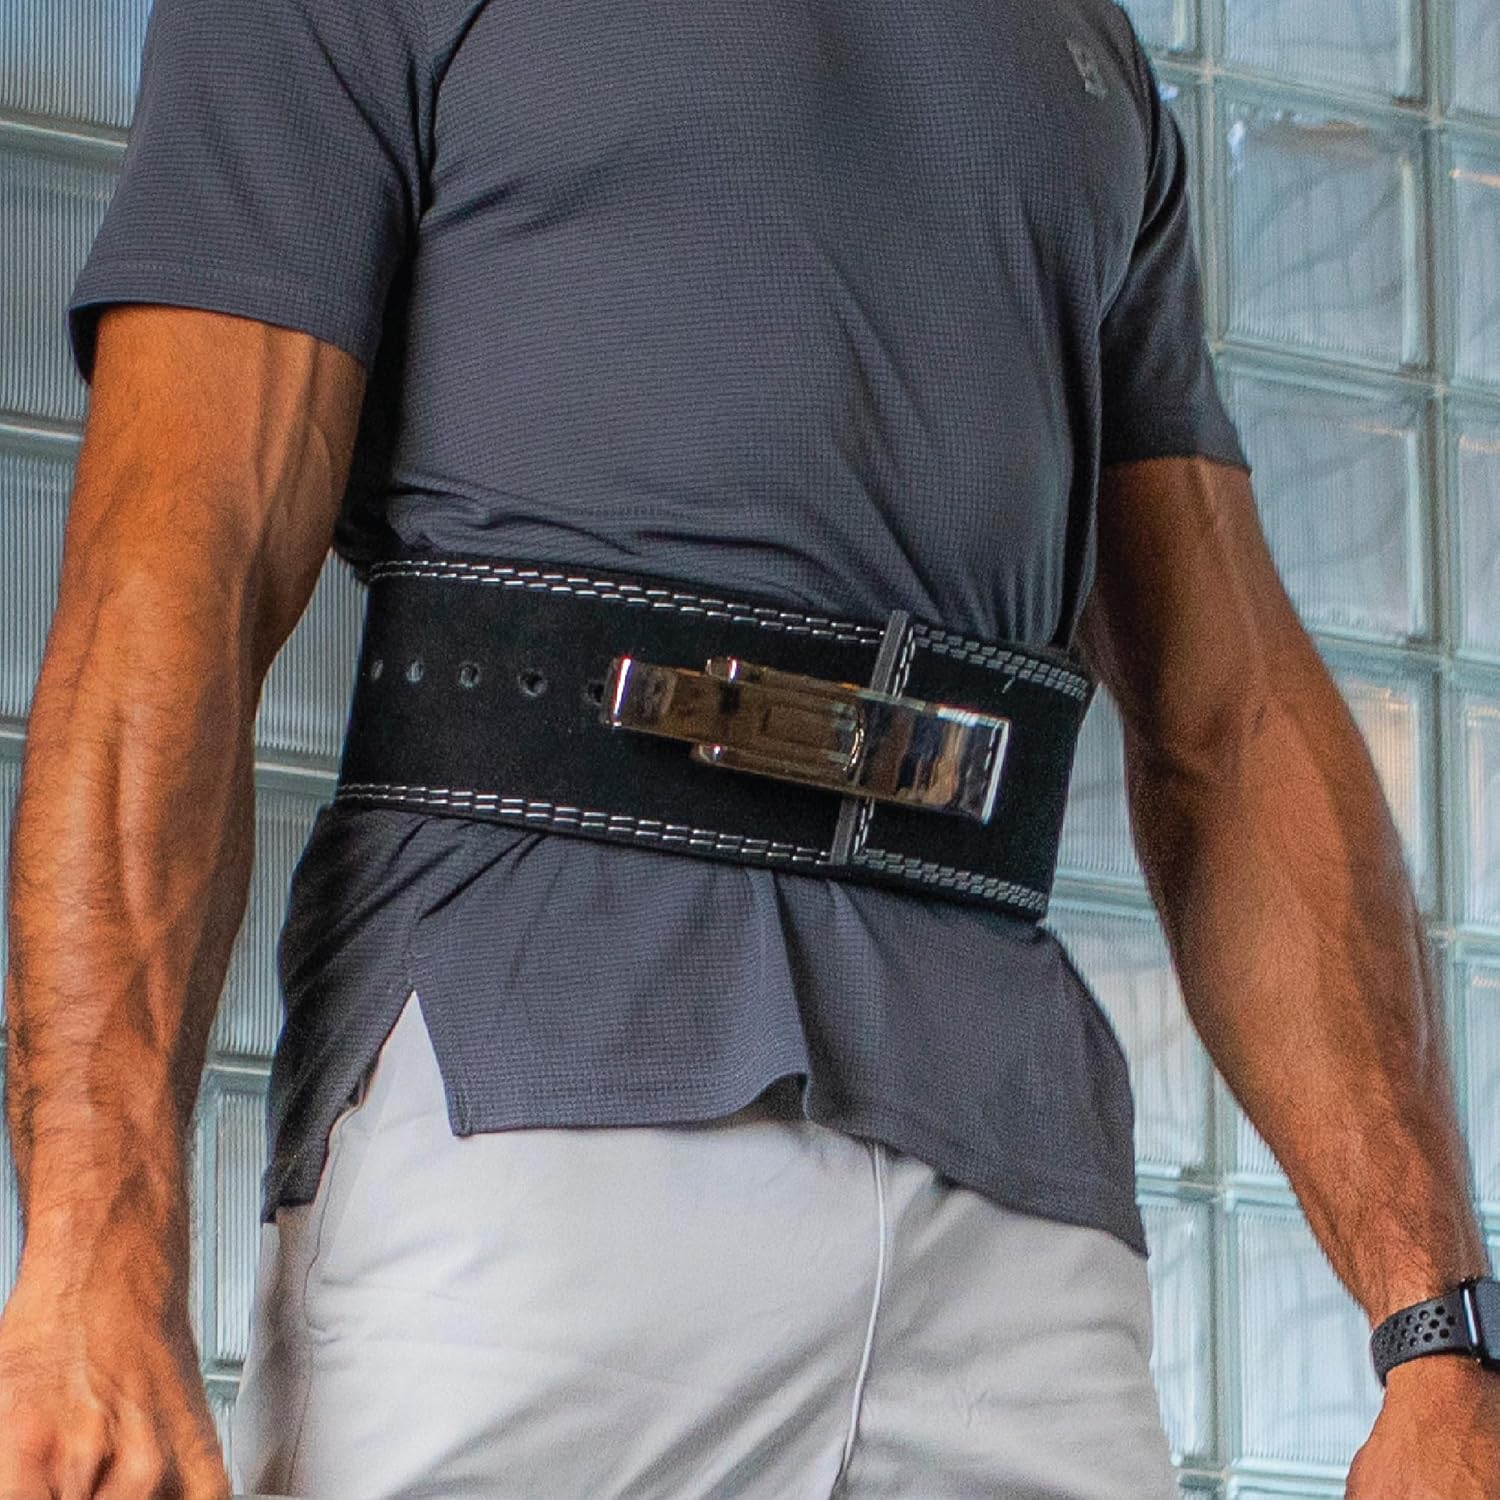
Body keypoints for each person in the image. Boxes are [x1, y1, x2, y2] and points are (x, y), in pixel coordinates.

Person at [1, 0, 1496, 1494]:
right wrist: (90, 1258)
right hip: (519, 1135)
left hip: (1016, 1206)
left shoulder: (1082, 41)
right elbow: (175, 569)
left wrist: (1440, 1336)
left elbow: (1229, 713)